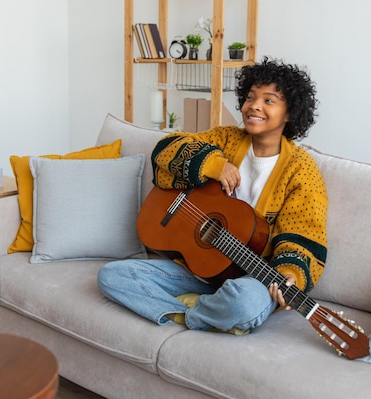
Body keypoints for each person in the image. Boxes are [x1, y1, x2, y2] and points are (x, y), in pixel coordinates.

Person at [97, 57, 327, 334]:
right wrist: (213, 165)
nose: (254, 105)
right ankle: (212, 313)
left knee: (244, 303)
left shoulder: (301, 170)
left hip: (249, 277)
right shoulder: (227, 139)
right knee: (112, 276)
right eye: (251, 97)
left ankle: (191, 315)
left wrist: (291, 274)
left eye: (269, 101)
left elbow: (304, 232)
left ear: (290, 113)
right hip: (195, 271)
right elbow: (166, 150)